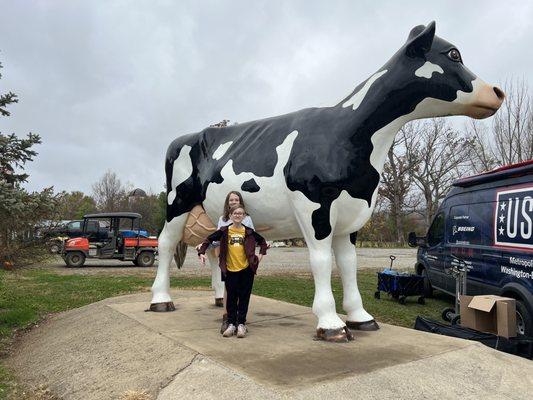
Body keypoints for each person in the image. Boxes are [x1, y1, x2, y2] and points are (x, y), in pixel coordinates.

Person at [198, 205, 267, 338]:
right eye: (235, 213)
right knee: (231, 298)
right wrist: (201, 252)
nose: (237, 215)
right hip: (230, 270)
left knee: (244, 298)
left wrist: (259, 257)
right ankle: (231, 324)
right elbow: (208, 240)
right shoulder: (224, 231)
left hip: (246, 270)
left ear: (244, 216)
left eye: (240, 213)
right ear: (230, 216)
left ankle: (241, 324)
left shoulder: (249, 232)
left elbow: (263, 242)